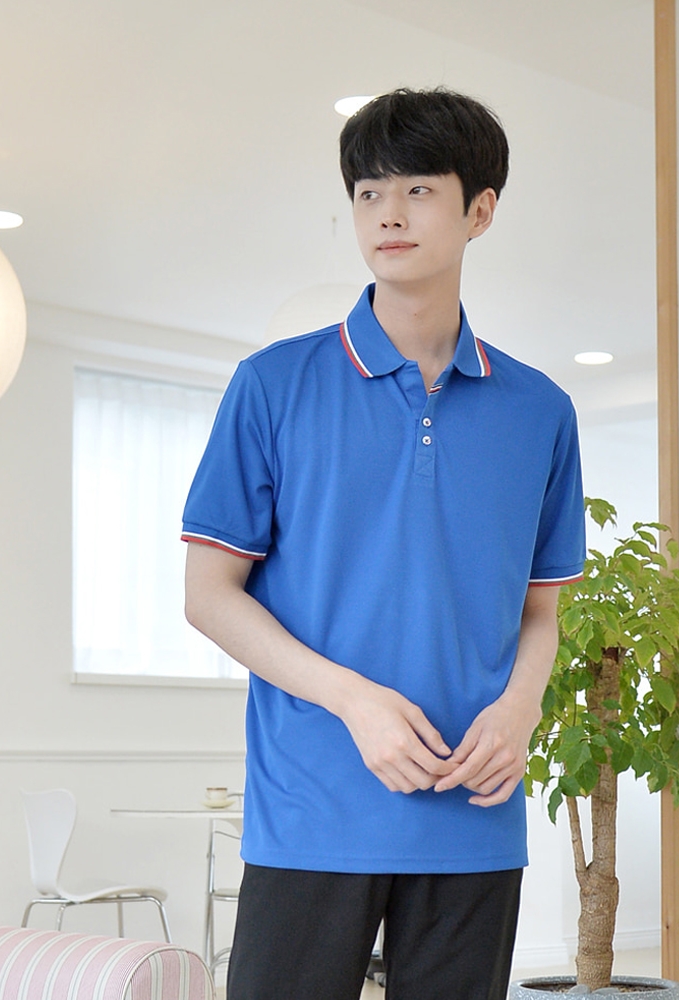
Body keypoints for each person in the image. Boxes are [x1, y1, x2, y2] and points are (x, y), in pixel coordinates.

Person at [182, 87, 586, 1000]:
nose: (388, 214)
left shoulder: (541, 412)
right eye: (369, 193)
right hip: (313, 808)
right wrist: (356, 702)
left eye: (418, 190)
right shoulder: (273, 384)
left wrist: (520, 711)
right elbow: (208, 595)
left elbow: (541, 610)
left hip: (474, 813)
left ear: (480, 211)